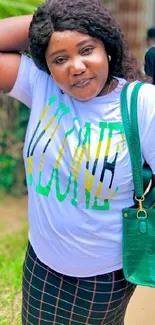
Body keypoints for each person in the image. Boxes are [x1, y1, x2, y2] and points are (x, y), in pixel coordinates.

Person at [0, 0, 155, 324]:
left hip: (103, 278)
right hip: (41, 264)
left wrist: (72, 24)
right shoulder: (43, 87)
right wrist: (51, 21)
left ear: (107, 47)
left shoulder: (141, 103)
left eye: (86, 49)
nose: (76, 66)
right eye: (60, 58)